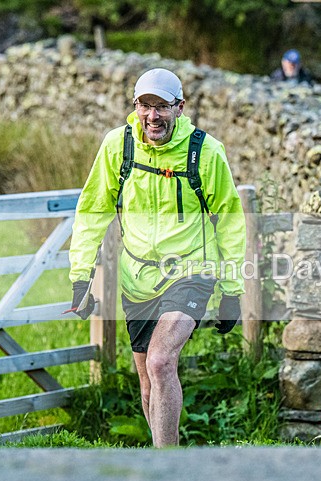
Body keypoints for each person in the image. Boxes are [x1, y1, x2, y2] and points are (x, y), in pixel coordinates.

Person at [69, 68, 246, 447]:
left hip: (192, 271)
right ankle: (160, 458)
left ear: (180, 107)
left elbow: (230, 221)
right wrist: (81, 277)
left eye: (162, 107)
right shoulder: (119, 146)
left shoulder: (205, 151)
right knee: (148, 382)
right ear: (135, 107)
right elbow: (93, 210)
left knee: (161, 360)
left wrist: (232, 289)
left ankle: (168, 469)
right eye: (145, 106)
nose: (152, 116)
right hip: (138, 279)